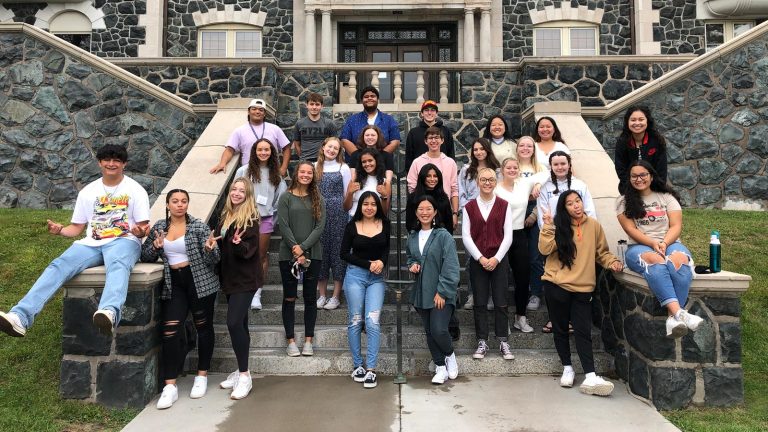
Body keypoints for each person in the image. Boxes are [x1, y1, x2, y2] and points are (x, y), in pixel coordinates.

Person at [0, 145, 149, 338]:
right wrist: (60, 230)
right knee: (58, 265)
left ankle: (109, 312)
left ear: (124, 164)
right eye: (107, 160)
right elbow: (77, 228)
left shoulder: (135, 190)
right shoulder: (88, 191)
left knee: (118, 263)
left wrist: (139, 232)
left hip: (124, 240)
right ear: (99, 163)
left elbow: (144, 226)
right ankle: (20, 317)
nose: (111, 164)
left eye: (117, 160)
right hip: (92, 243)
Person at [141, 190, 220, 409]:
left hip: (200, 281)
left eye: (183, 201)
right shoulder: (159, 227)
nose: (179, 205)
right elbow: (145, 255)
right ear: (167, 204)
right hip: (173, 282)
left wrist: (209, 248)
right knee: (170, 330)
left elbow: (214, 258)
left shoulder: (198, 226)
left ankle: (202, 375)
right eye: (175, 201)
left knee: (203, 326)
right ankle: (170, 386)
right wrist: (155, 246)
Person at [539, 190, 623, 396]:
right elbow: (544, 249)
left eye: (578, 201)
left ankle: (591, 375)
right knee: (560, 329)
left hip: (583, 287)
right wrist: (549, 225)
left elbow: (601, 252)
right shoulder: (558, 225)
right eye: (570, 203)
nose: (576, 205)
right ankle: (567, 367)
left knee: (583, 331)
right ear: (564, 208)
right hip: (556, 285)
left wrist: (612, 262)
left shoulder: (594, 225)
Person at [616, 161, 703, 338]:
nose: (639, 179)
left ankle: (673, 317)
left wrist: (663, 243)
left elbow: (676, 225)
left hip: (670, 241)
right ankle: (680, 313)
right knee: (655, 261)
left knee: (680, 261)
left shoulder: (666, 197)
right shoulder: (622, 201)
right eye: (634, 176)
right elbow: (630, 229)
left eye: (643, 175)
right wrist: (653, 244)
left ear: (651, 176)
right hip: (638, 246)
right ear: (629, 179)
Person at [213, 178, 261, 400]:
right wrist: (213, 244)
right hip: (230, 278)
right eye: (234, 189)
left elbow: (250, 251)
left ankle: (244, 376)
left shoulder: (250, 219)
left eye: (242, 191)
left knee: (233, 323)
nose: (237, 193)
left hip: (245, 279)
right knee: (240, 324)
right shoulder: (226, 215)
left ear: (248, 194)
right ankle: (241, 369)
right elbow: (220, 244)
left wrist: (237, 244)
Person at [537, 151, 596, 334]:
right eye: (556, 164)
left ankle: (572, 319)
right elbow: (542, 215)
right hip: (555, 238)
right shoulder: (545, 187)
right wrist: (551, 234)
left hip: (578, 237)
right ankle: (555, 319)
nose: (560, 167)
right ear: (551, 167)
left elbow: (590, 211)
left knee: (574, 278)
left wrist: (585, 236)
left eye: (563, 163)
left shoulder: (580, 185)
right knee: (555, 281)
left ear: (569, 164)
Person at [462, 168, 515, 361]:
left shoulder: (504, 205)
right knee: (480, 302)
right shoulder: (469, 207)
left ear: (496, 182)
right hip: (478, 261)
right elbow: (466, 236)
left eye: (491, 180)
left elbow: (508, 235)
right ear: (477, 182)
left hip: (499, 260)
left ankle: (503, 341)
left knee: (501, 301)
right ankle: (482, 341)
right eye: (483, 179)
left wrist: (496, 258)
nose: (487, 183)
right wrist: (480, 258)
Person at [406, 195, 460, 385]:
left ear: (435, 212)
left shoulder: (443, 235)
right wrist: (412, 265)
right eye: (421, 209)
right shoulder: (412, 237)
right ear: (416, 212)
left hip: (440, 293)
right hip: (422, 292)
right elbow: (411, 258)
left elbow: (451, 266)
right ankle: (440, 367)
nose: (424, 212)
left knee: (438, 330)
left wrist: (443, 291)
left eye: (429, 208)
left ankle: (450, 355)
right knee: (429, 332)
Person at [341, 192, 391, 389]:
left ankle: (371, 369)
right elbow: (343, 253)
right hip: (355, 276)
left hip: (376, 279)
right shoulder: (351, 226)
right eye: (365, 204)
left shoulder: (384, 224)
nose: (369, 207)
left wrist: (381, 262)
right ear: (360, 206)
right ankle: (357, 366)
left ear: (378, 206)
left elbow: (387, 249)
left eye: (373, 204)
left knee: (372, 321)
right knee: (355, 320)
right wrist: (367, 264)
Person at [277, 161, 326, 357]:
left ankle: (308, 341)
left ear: (313, 176)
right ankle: (290, 341)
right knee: (289, 297)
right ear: (296, 174)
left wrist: (303, 248)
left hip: (313, 254)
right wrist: (296, 249)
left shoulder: (318, 198)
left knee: (310, 298)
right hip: (288, 254)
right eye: (302, 172)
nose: (305, 175)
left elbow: (320, 226)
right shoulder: (285, 197)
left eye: (309, 172)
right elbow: (283, 225)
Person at [494, 157, 546, 334]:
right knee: (500, 280)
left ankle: (520, 318)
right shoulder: (496, 188)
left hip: (519, 234)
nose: (512, 170)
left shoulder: (524, 184)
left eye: (515, 167)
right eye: (508, 167)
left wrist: (537, 184)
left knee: (523, 278)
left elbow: (547, 173)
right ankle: (502, 321)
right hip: (500, 236)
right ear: (502, 170)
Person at [235, 138, 288, 310]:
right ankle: (243, 290)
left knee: (261, 256)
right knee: (242, 254)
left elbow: (281, 198)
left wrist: (271, 217)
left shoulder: (276, 174)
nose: (263, 153)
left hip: (264, 220)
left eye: (267, 150)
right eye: (260, 149)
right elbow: (234, 193)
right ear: (254, 151)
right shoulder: (244, 171)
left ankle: (257, 293)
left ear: (272, 152)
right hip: (244, 219)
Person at [458, 138, 500, 310]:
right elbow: (461, 192)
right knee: (471, 259)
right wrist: (468, 209)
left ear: (488, 150)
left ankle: (489, 295)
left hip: (492, 218)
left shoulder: (497, 171)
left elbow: (501, 191)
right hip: (471, 217)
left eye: (482, 149)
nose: (479, 152)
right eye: (475, 149)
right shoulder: (466, 170)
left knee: (490, 255)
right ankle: (472, 294)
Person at [209, 98, 292, 176]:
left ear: (264, 113)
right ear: (248, 111)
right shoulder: (239, 131)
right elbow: (230, 150)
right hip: (249, 172)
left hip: (272, 172)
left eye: (261, 110)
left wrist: (284, 168)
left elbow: (287, 148)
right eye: (254, 109)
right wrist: (222, 163)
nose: (257, 112)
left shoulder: (275, 129)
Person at [315, 138, 352, 310]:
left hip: (338, 213)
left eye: (336, 148)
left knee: (337, 253)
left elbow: (347, 194)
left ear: (339, 152)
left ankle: (336, 295)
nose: (332, 150)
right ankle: (322, 294)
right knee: (320, 252)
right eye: (329, 146)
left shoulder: (343, 168)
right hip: (318, 212)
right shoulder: (315, 166)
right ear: (323, 147)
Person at [516, 136, 548, 312]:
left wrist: (534, 215)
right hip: (515, 213)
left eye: (529, 146)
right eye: (522, 145)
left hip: (536, 211)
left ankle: (535, 293)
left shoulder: (541, 169)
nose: (525, 148)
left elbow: (543, 196)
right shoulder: (512, 165)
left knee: (535, 256)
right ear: (517, 148)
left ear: (534, 149)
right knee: (518, 255)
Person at [407, 126, 459, 228]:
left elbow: (454, 189)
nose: (433, 141)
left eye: (437, 137)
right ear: (425, 141)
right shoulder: (417, 162)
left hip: (444, 210)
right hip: (423, 212)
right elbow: (412, 188)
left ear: (442, 140)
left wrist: (455, 213)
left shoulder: (450, 162)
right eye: (430, 138)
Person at [614, 106, 668, 195]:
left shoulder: (657, 141)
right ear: (627, 122)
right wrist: (633, 187)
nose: (637, 123)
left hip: (654, 189)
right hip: (629, 190)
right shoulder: (622, 142)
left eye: (641, 119)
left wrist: (654, 189)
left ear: (647, 121)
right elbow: (620, 169)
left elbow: (661, 170)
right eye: (633, 120)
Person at [340, 86, 401, 155]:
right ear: (362, 100)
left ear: (377, 99)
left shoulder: (389, 120)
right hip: (357, 163)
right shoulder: (352, 120)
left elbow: (395, 141)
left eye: (372, 96)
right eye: (366, 97)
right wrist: (359, 158)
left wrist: (380, 158)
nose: (369, 98)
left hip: (383, 163)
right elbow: (344, 140)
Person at [404, 100, 456, 172]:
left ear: (436, 113)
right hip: (420, 175)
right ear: (422, 113)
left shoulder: (445, 131)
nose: (429, 113)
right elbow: (409, 158)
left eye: (432, 110)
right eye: (426, 110)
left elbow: (451, 154)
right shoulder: (413, 133)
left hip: (443, 174)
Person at [406, 164, 454, 235]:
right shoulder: (413, 198)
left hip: (440, 239)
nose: (432, 179)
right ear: (422, 177)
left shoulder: (443, 198)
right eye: (428, 176)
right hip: (418, 237)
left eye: (435, 176)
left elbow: (449, 224)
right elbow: (409, 224)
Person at [344, 148, 391, 215]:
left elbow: (384, 212)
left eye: (370, 160)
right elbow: (346, 208)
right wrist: (350, 193)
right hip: (354, 220)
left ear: (376, 161)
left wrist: (384, 197)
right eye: (364, 162)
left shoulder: (385, 183)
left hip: (374, 222)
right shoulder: (354, 181)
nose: (367, 164)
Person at [292, 92, 337, 162]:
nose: (314, 107)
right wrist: (302, 157)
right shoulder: (299, 123)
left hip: (323, 160)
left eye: (317, 104)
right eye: (311, 104)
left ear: (322, 106)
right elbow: (297, 143)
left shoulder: (329, 124)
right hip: (305, 161)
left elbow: (335, 143)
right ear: (307, 105)